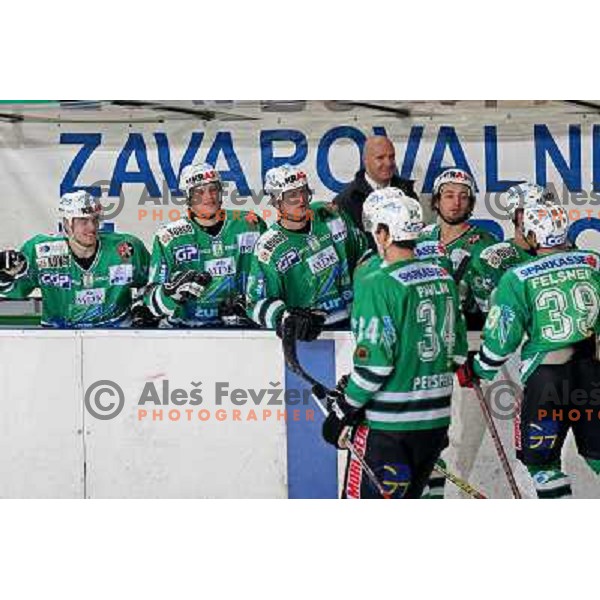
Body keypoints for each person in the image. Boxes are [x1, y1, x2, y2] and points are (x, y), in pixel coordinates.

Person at [321, 189, 467, 498]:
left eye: (376, 229)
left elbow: (375, 365)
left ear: (385, 233)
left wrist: (344, 408)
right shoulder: (443, 277)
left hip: (389, 429)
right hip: (435, 423)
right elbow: (457, 353)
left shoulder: (379, 282)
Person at [464, 204, 600, 499]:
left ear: (532, 235)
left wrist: (477, 368)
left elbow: (503, 338)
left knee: (542, 464)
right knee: (597, 456)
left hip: (546, 380)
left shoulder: (517, 276)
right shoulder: (592, 263)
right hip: (591, 375)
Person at [246, 164, 368, 339]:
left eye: (303, 191)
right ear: (275, 201)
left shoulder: (330, 216)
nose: (301, 199)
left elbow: (363, 255)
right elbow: (255, 302)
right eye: (292, 195)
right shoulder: (268, 247)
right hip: (310, 335)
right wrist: (284, 318)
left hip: (354, 323)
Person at [0, 191, 150, 327]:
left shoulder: (127, 247)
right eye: (83, 221)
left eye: (95, 220)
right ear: (66, 223)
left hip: (118, 333)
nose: (91, 227)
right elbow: (16, 291)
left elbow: (152, 282)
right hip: (59, 337)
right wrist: (5, 273)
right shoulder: (40, 250)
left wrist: (141, 306)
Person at [144, 161, 266, 327]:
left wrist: (249, 304)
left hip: (240, 328)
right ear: (187, 197)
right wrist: (171, 292)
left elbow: (267, 279)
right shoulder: (168, 237)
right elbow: (152, 305)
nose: (209, 197)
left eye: (213, 189)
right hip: (184, 331)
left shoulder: (250, 224)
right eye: (199, 192)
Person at [333, 135, 417, 249]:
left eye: (391, 157)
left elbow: (417, 232)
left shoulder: (407, 191)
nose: (388, 163)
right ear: (366, 161)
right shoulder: (346, 201)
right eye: (380, 158)